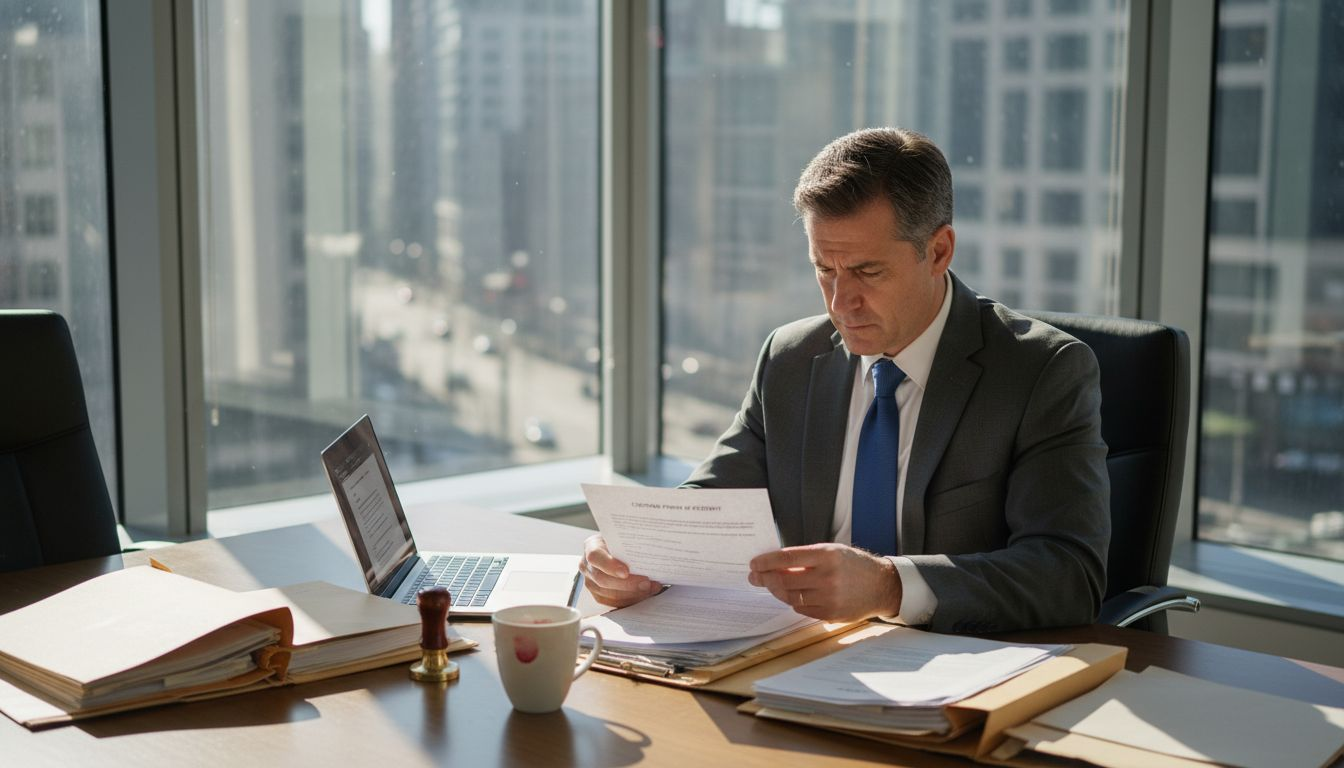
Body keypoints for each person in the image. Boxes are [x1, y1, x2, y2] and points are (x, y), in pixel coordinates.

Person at [581, 127, 1110, 633]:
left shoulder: (1041, 371)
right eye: (825, 271)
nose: (840, 304)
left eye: (867, 272)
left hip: (962, 667)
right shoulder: (790, 358)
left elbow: (1068, 574)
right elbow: (713, 500)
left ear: (939, 251)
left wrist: (888, 587)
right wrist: (640, 556)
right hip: (799, 655)